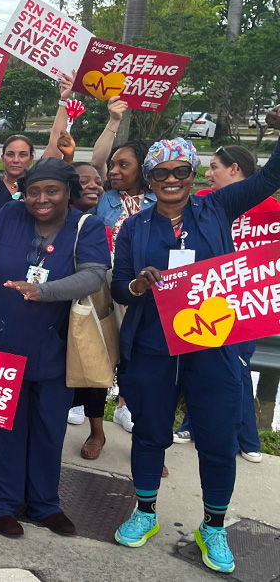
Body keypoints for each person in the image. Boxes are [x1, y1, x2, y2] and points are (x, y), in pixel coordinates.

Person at [111, 130, 280, 573]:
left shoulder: (218, 206)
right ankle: (145, 512)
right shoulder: (134, 227)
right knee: (150, 432)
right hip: (154, 344)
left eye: (180, 171)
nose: (171, 180)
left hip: (213, 343)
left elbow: (271, 178)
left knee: (219, 439)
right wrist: (138, 285)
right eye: (161, 173)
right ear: (149, 180)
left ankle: (214, 526)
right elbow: (120, 287)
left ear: (192, 174)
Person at [0, 158, 110, 539]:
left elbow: (94, 276)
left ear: (68, 192)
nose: (41, 199)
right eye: (33, 192)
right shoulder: (10, 215)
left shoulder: (86, 226)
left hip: (57, 349)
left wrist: (43, 292)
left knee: (49, 430)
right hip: (3, 343)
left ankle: (45, 504)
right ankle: (1, 504)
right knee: (3, 430)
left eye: (51, 191)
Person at [172, 145, 278, 461]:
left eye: (215, 166)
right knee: (202, 360)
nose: (208, 173)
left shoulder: (270, 209)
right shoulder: (204, 203)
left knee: (236, 366)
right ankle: (197, 425)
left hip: (248, 299)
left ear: (234, 169)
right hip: (208, 298)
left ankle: (247, 439)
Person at [93, 137, 154, 435]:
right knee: (101, 347)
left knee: (134, 351)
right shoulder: (106, 199)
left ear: (143, 170)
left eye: (123, 165)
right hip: (106, 286)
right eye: (113, 165)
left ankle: (124, 405)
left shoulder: (159, 203)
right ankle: (93, 419)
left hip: (143, 288)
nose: (114, 171)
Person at [66, 161, 113, 459]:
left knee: (94, 369)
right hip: (56, 306)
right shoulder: (53, 219)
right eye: (86, 180)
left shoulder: (97, 222)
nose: (94, 185)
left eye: (98, 181)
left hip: (91, 304)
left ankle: (98, 432)